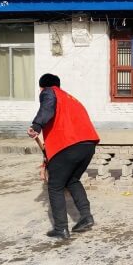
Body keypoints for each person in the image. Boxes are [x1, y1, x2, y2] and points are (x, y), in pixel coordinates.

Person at [27, 74, 100, 239]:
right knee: (72, 180)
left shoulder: (49, 93)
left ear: (42, 87)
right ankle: (86, 217)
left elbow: (47, 107)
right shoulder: (72, 99)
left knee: (55, 186)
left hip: (68, 145)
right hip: (87, 145)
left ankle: (60, 228)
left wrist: (36, 126)